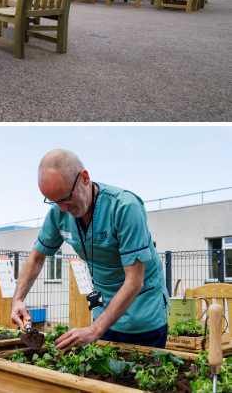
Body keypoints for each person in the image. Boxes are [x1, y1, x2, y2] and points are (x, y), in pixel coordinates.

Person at [11, 149, 168, 349]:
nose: (63, 209)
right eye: (54, 201)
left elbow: (134, 281)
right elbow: (36, 258)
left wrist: (94, 329)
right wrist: (18, 300)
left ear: (85, 178)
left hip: (142, 314)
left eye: (66, 198)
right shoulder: (59, 213)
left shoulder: (125, 208)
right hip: (103, 314)